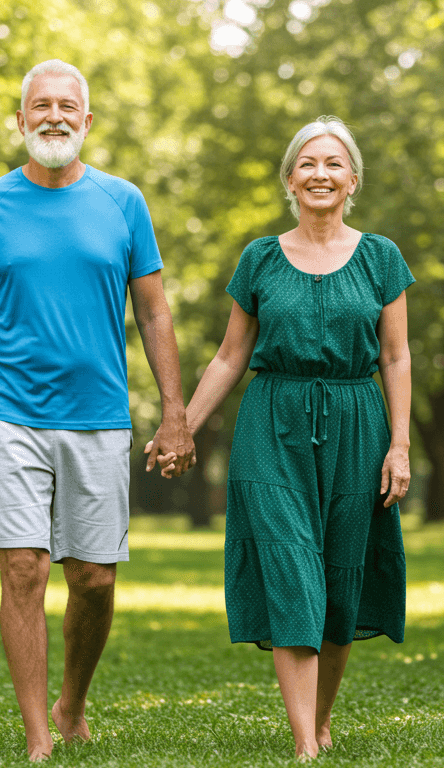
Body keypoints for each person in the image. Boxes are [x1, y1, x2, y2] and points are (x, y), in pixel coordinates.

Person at [0, 59, 194, 762]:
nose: (53, 116)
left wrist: (176, 412)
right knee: (24, 569)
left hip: (99, 415)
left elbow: (155, 309)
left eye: (66, 106)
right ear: (20, 121)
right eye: (39, 106)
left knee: (94, 578)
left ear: (87, 120)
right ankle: (38, 737)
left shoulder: (123, 202)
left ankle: (70, 701)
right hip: (8, 412)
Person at [152, 116, 412, 759]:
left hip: (358, 423)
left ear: (352, 180)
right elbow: (230, 355)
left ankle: (321, 720)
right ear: (290, 180)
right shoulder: (260, 258)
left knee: (340, 579)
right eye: (308, 164)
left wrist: (399, 444)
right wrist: (180, 421)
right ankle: (305, 745)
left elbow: (398, 358)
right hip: (272, 422)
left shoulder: (382, 257)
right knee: (293, 571)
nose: (320, 174)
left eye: (333, 164)